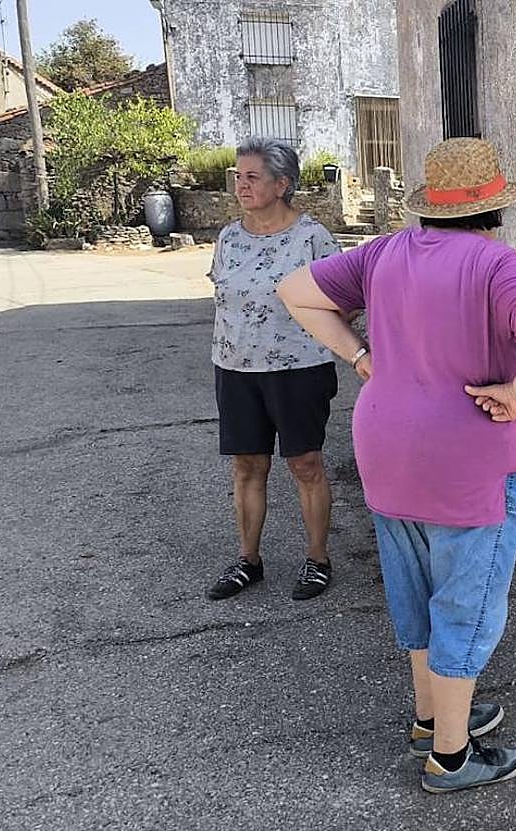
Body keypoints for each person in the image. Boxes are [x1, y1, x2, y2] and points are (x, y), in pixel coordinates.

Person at [276, 137, 516, 793]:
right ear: (494, 207)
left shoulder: (384, 253)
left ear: (427, 206)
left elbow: (295, 291)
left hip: (386, 447)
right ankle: (452, 755)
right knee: (466, 604)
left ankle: (429, 714)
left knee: (414, 590)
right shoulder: (498, 265)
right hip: (467, 457)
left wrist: (359, 356)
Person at [205, 137, 344, 603]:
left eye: (252, 177)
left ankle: (318, 559)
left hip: (299, 369)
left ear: (282, 184)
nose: (241, 185)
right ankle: (249, 560)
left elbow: (344, 302)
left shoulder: (312, 238)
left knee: (305, 464)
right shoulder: (228, 238)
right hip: (235, 367)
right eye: (237, 177)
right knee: (247, 465)